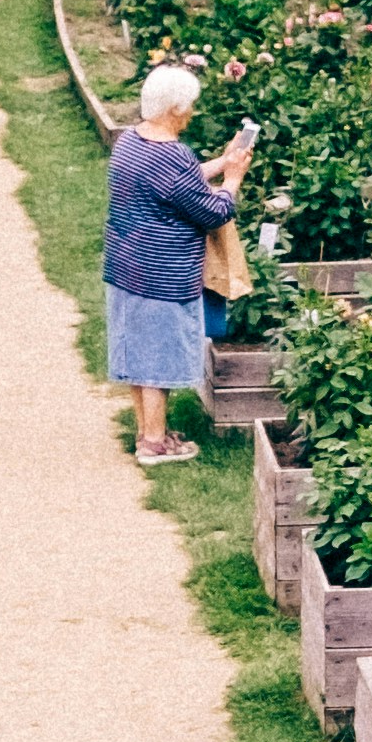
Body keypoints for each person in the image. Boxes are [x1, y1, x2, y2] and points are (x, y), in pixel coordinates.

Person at [105, 63, 253, 466]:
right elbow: (213, 211)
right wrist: (234, 180)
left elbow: (177, 185)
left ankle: (146, 431)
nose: (192, 113)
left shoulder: (131, 141)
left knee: (137, 354)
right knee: (157, 357)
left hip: (126, 266)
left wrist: (220, 163)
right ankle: (154, 444)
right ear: (173, 109)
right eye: (189, 107)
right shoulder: (173, 155)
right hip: (161, 273)